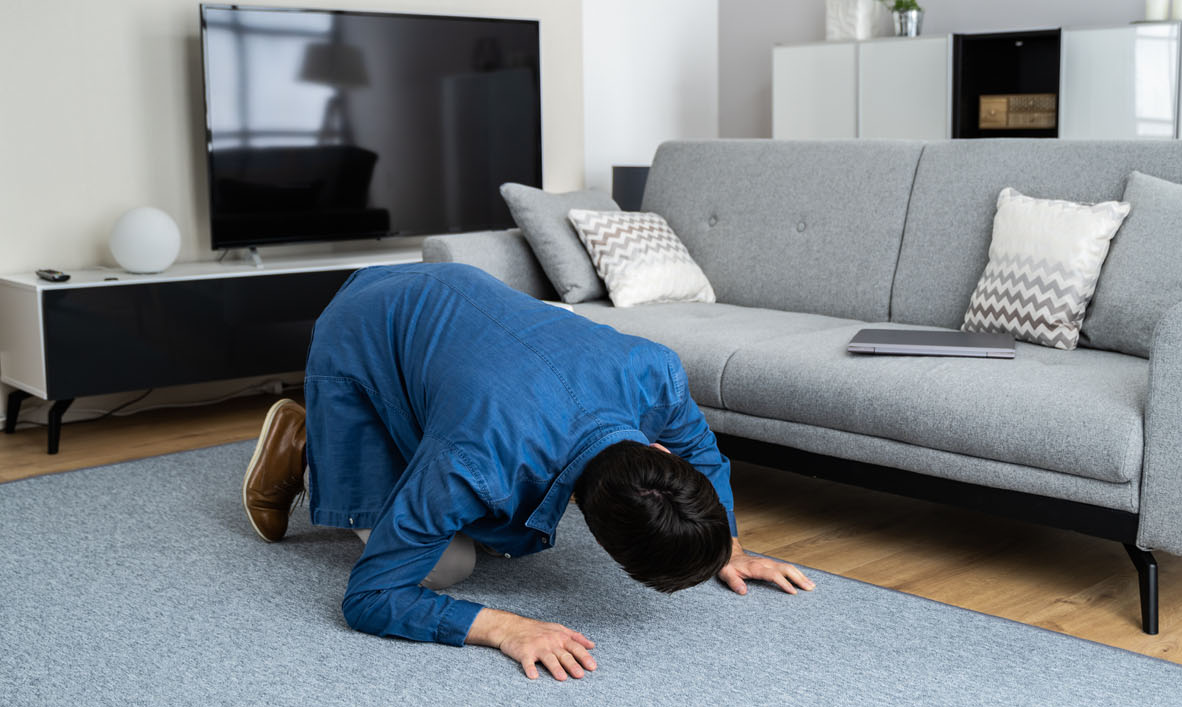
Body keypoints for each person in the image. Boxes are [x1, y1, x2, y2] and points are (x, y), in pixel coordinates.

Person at [241, 262, 813, 681]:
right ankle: (302, 439)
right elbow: (370, 597)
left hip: (461, 305)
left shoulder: (654, 371)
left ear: (662, 456)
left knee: (471, 512)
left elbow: (705, 457)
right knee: (449, 564)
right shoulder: (474, 460)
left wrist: (726, 545)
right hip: (363, 328)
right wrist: (504, 627)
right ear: (591, 525)